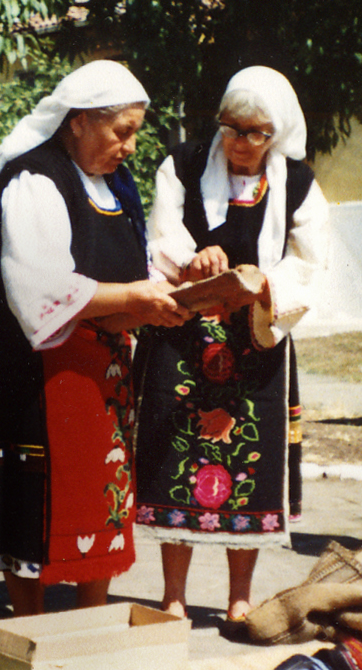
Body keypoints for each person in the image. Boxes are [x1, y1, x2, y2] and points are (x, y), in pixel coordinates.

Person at [0, 60, 190, 618]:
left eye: (135, 134)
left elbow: (133, 270)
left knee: (97, 498)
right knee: (32, 503)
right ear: (77, 121)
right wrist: (131, 299)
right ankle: (29, 626)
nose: (129, 147)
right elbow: (39, 289)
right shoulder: (35, 178)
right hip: (29, 373)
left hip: (96, 375)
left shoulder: (118, 188)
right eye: (120, 131)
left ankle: (90, 621)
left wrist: (166, 294)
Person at [134, 66, 330, 624]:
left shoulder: (300, 182)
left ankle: (239, 596)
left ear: (278, 133)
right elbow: (162, 233)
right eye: (230, 127)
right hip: (185, 334)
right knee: (179, 457)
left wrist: (265, 284)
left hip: (258, 338)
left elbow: (310, 260)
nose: (239, 142)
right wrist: (195, 256)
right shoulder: (182, 164)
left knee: (252, 467)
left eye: (254, 132)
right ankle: (173, 595)